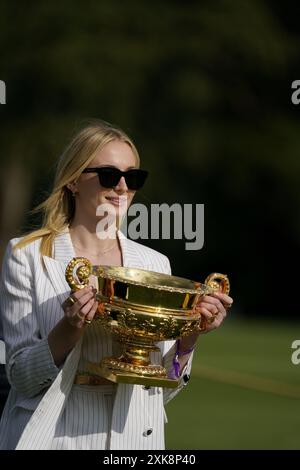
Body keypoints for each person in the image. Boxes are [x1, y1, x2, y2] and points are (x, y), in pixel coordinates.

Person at [0, 120, 233, 450]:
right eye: (109, 175)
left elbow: (162, 388)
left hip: (133, 439)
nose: (123, 187)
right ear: (73, 181)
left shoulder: (154, 265)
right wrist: (69, 327)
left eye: (133, 177)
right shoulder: (27, 255)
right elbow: (20, 378)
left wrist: (190, 334)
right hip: (53, 434)